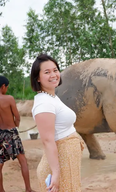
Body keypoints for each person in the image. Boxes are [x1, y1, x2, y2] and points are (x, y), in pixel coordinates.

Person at [30, 54, 84, 192]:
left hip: (66, 161)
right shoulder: (43, 103)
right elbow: (47, 141)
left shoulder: (52, 97)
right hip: (60, 164)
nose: (53, 75)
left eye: (55, 70)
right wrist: (56, 174)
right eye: (47, 72)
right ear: (38, 77)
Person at [0, 76, 35, 192]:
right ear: (3, 86)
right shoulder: (9, 99)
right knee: (22, 160)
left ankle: (1, 190)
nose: (6, 89)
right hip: (11, 133)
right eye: (6, 87)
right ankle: (28, 189)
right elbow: (17, 117)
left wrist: (0, 131)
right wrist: (14, 127)